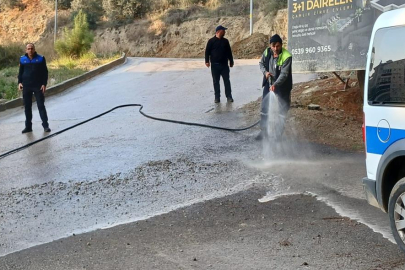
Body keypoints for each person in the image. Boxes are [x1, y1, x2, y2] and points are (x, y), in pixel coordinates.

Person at [257, 34, 292, 140]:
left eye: (278, 46)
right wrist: (265, 72)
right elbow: (261, 63)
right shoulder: (267, 52)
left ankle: (278, 134)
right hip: (269, 84)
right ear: (270, 46)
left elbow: (284, 74)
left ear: (281, 45)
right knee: (265, 108)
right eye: (273, 46)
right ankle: (263, 132)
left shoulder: (287, 56)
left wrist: (275, 85)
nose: (276, 48)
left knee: (282, 110)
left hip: (282, 87)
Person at [18, 43, 51, 134]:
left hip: (38, 86)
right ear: (26, 50)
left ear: (34, 49)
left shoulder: (40, 59)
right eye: (28, 49)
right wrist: (19, 82)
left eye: (32, 48)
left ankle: (45, 126)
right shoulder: (22, 59)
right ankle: (28, 127)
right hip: (26, 86)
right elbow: (20, 72)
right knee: (27, 107)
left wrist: (44, 84)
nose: (30, 50)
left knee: (41, 106)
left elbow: (45, 72)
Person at [205, 25, 234, 103]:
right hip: (215, 65)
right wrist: (207, 61)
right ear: (218, 31)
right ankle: (217, 97)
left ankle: (229, 96)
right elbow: (207, 52)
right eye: (223, 31)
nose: (224, 32)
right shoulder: (211, 41)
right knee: (216, 82)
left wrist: (231, 61)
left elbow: (229, 52)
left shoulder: (226, 41)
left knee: (226, 81)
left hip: (224, 65)